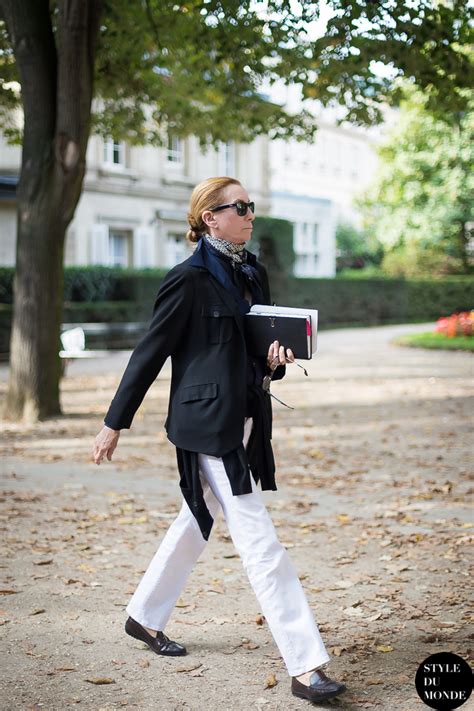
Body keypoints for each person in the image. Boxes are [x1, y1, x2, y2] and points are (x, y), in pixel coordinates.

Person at [92, 177, 346, 704]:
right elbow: (150, 352)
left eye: (252, 207)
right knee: (260, 543)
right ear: (211, 216)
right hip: (205, 423)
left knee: (196, 518)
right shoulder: (186, 280)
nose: (251, 215)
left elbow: (258, 347)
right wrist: (114, 422)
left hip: (247, 415)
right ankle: (305, 666)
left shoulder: (253, 271)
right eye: (242, 207)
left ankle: (143, 615)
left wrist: (276, 362)